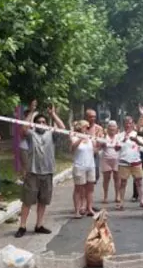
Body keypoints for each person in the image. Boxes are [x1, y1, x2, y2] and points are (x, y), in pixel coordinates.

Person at [16, 105, 65, 238]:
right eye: (39, 122)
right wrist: (31, 111)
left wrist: (53, 114)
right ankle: (22, 226)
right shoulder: (31, 134)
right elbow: (24, 128)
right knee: (27, 201)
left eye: (44, 122)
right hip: (33, 173)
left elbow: (62, 128)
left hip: (47, 173)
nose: (42, 124)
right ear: (35, 124)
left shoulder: (50, 134)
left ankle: (39, 225)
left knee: (43, 201)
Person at [116, 116, 143, 210]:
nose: (128, 125)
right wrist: (122, 141)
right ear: (124, 124)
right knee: (123, 182)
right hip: (124, 161)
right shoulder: (119, 135)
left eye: (130, 123)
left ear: (133, 124)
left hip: (136, 161)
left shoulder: (137, 134)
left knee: (139, 181)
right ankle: (121, 202)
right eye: (126, 123)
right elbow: (116, 148)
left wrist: (136, 140)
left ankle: (142, 200)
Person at [71, 120, 98, 218]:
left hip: (90, 165)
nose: (87, 129)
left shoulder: (90, 138)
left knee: (90, 188)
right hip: (79, 166)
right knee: (78, 189)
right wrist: (81, 138)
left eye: (88, 127)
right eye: (85, 127)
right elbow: (72, 148)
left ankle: (89, 208)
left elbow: (94, 151)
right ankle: (77, 210)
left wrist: (100, 145)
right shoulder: (74, 136)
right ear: (80, 128)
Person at [99, 120, 122, 204]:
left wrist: (118, 147)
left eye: (114, 126)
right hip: (106, 158)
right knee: (106, 178)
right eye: (110, 126)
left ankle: (117, 195)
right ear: (107, 128)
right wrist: (103, 143)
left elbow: (119, 147)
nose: (112, 128)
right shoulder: (104, 136)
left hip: (116, 159)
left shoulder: (118, 137)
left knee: (117, 178)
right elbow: (100, 146)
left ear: (116, 128)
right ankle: (105, 196)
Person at [18, 100, 37, 183]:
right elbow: (24, 131)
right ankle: (26, 182)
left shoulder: (35, 123)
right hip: (25, 147)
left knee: (33, 166)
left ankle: (31, 182)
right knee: (26, 166)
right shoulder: (23, 124)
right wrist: (32, 111)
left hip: (33, 148)